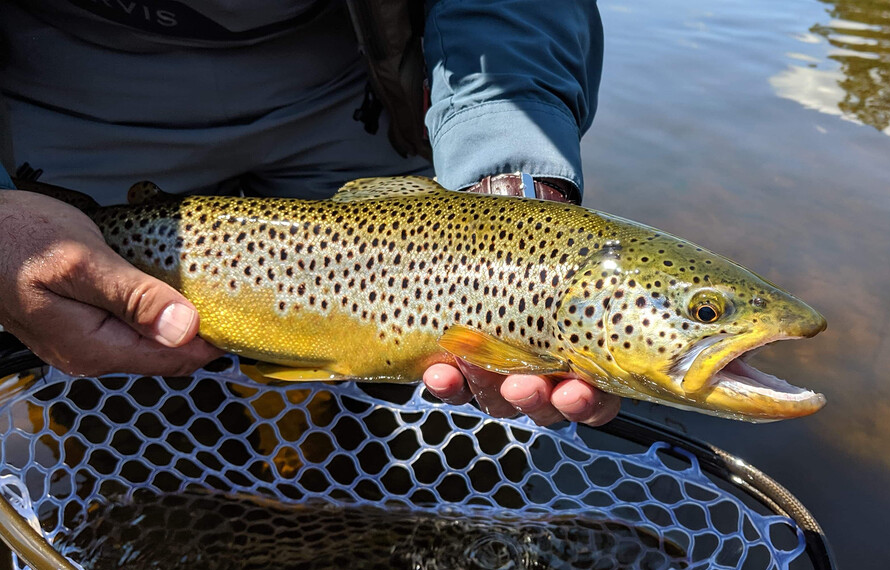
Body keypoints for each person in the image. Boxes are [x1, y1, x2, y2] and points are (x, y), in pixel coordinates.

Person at [0, 0, 619, 426]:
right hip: (61, 84)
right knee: (106, 373)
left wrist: (510, 169)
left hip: (349, 77)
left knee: (402, 409)